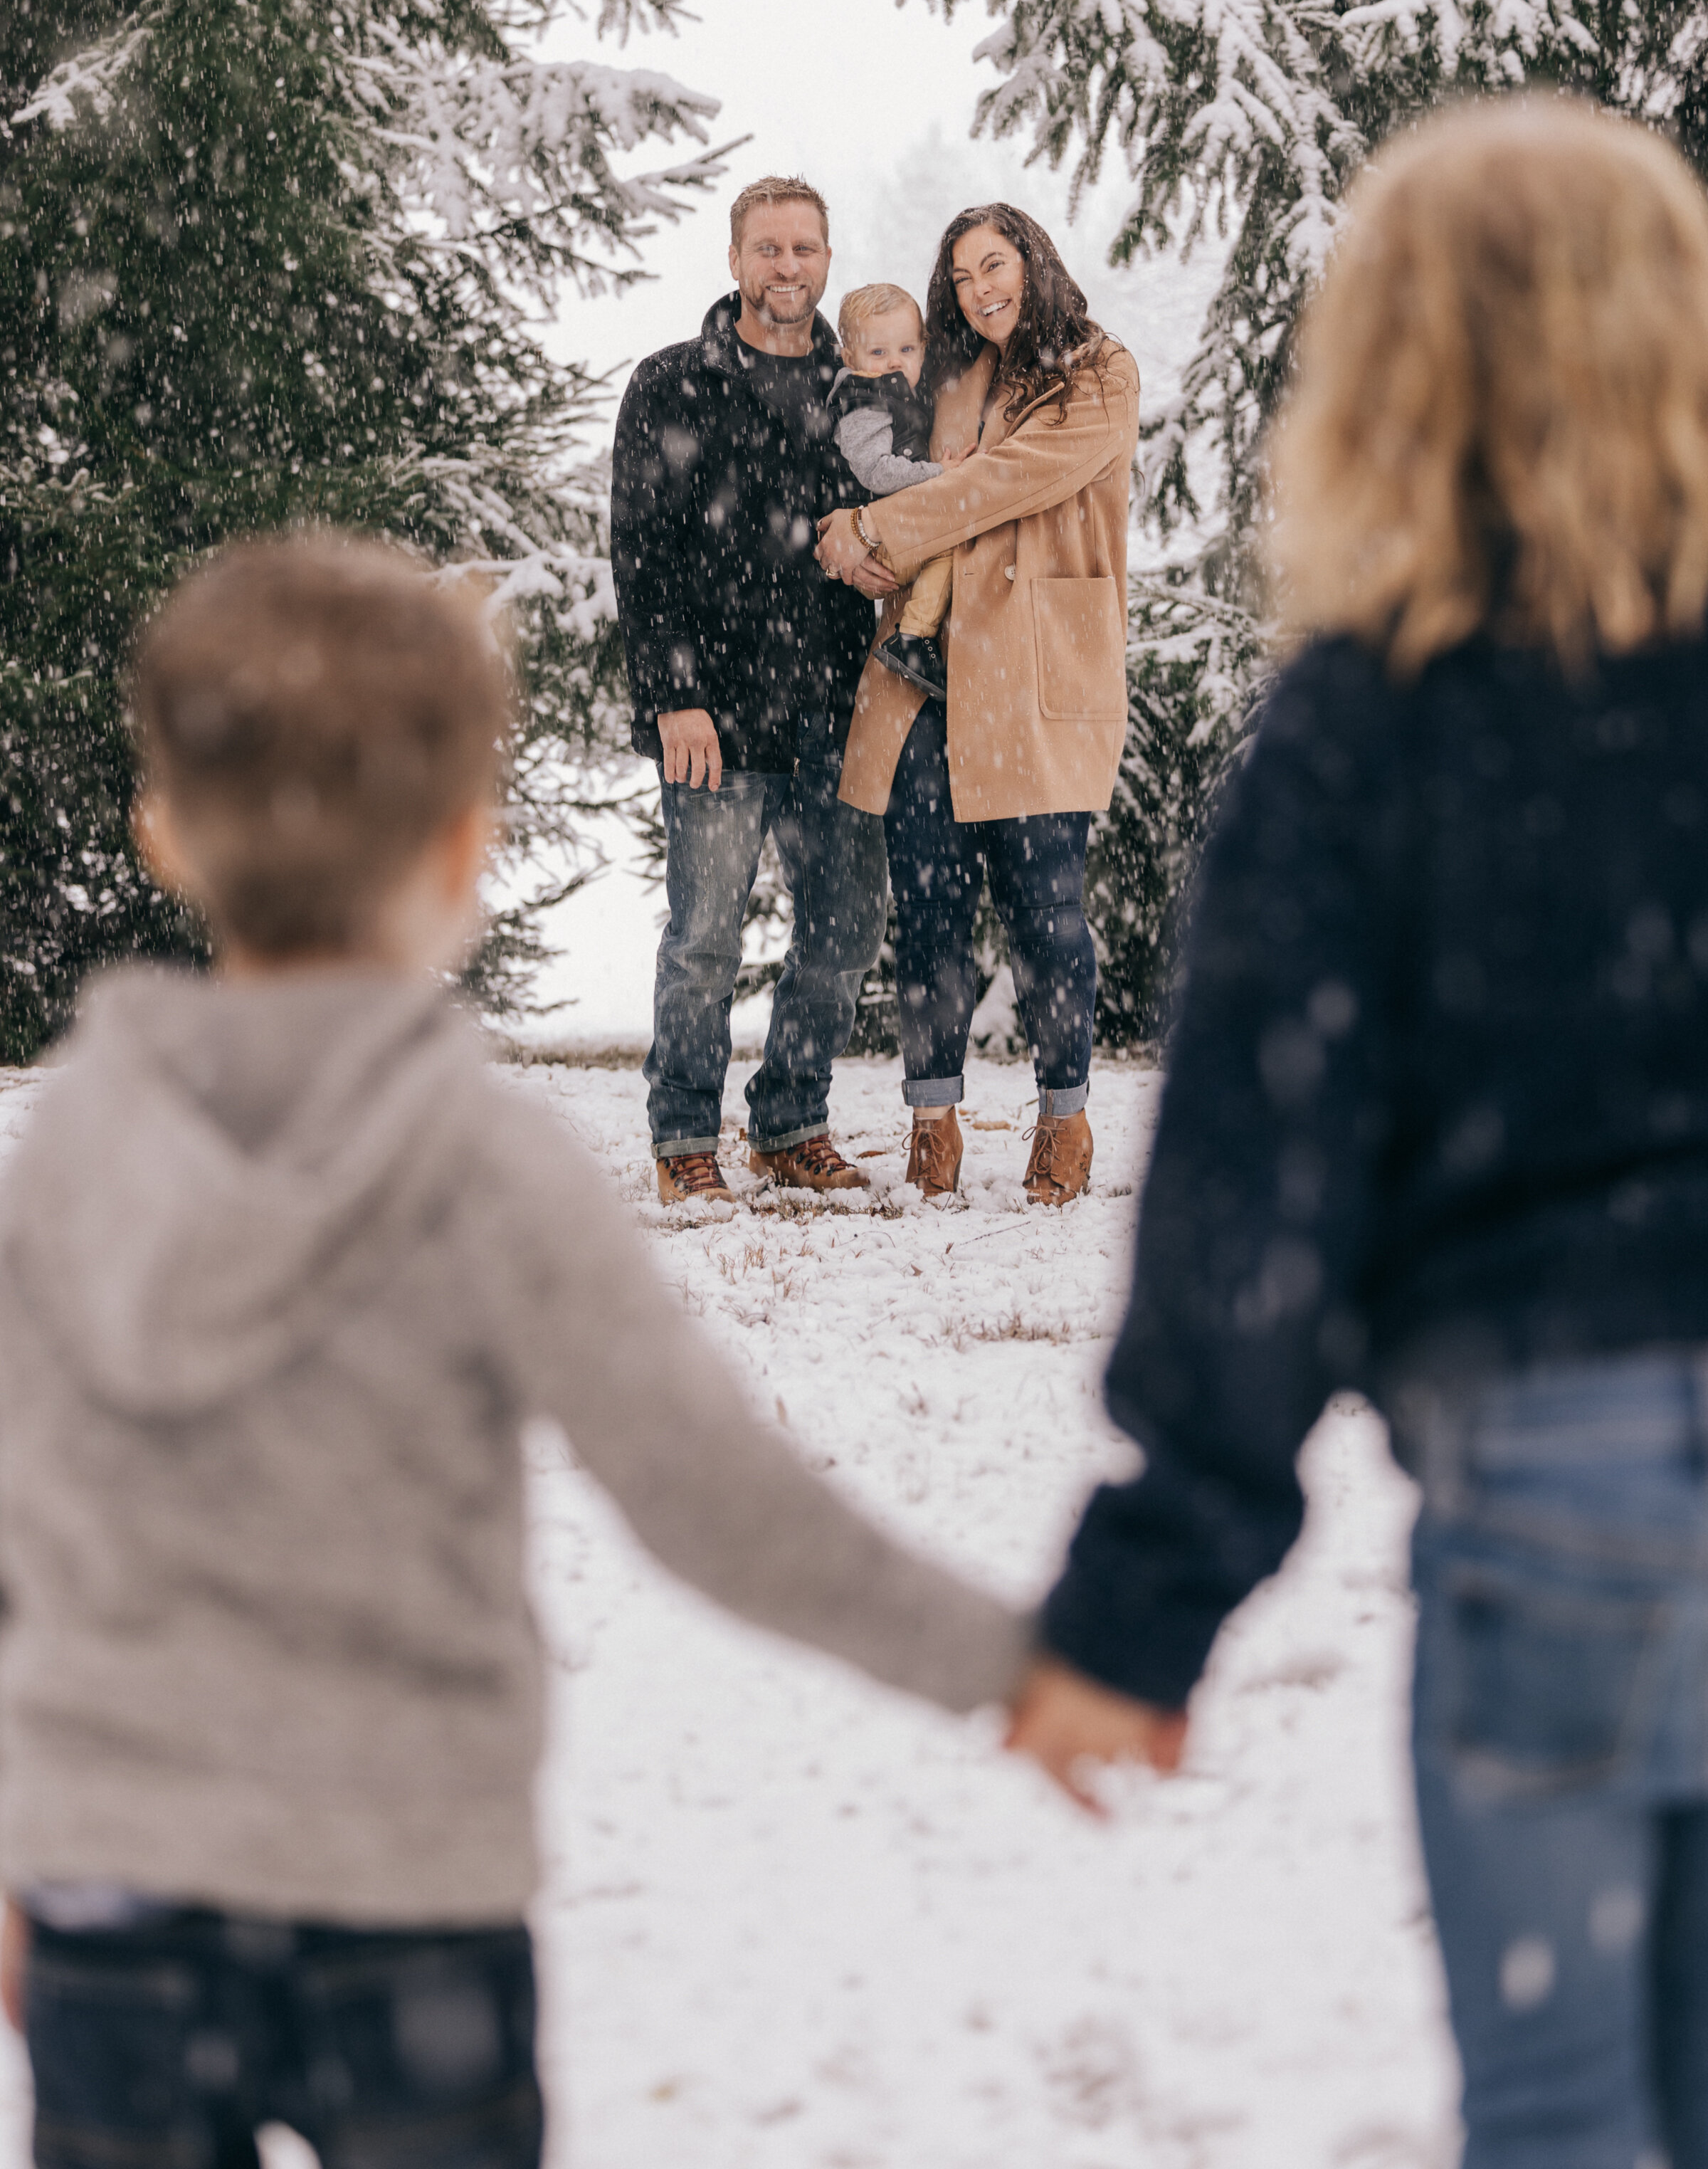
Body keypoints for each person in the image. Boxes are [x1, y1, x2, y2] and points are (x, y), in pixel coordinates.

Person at [0, 533, 1050, 2164]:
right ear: (462, 854)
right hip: (407, 1889)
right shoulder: (479, 1162)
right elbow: (712, 1497)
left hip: (114, 1897)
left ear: (163, 834)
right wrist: (1008, 1665)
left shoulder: (72, 1151)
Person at [1023, 98, 1708, 2168]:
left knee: (1572, 2112)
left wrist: (1144, 1596)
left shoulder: (1363, 728)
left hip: (1557, 1504)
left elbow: (1257, 1180)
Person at [816, 206, 1139, 1207]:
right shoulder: (948, 382)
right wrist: (838, 527)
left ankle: (1064, 1122)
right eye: (959, 276)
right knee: (931, 915)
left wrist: (865, 524)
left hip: (1037, 680)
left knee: (1048, 913)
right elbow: (877, 459)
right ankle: (933, 1122)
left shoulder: (1098, 375)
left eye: (992, 264)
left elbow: (992, 489)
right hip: (928, 684)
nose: (978, 288)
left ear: (1033, 261)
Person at [611, 176, 887, 1207]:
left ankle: (790, 1121)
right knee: (706, 937)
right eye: (767, 249)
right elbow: (642, 555)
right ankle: (685, 1132)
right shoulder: (673, 384)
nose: (787, 268)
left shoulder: (856, 392)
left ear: (827, 259)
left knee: (849, 926)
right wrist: (674, 694)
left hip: (837, 710)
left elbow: (897, 521)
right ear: (735, 261)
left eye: (805, 249)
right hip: (717, 717)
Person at [829, 282, 960, 702]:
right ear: (850, 358)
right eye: (878, 353)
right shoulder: (863, 400)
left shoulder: (899, 393)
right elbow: (876, 472)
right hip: (875, 544)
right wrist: (942, 474)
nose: (894, 364)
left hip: (888, 532)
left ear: (923, 349)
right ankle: (913, 637)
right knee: (952, 544)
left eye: (906, 350)